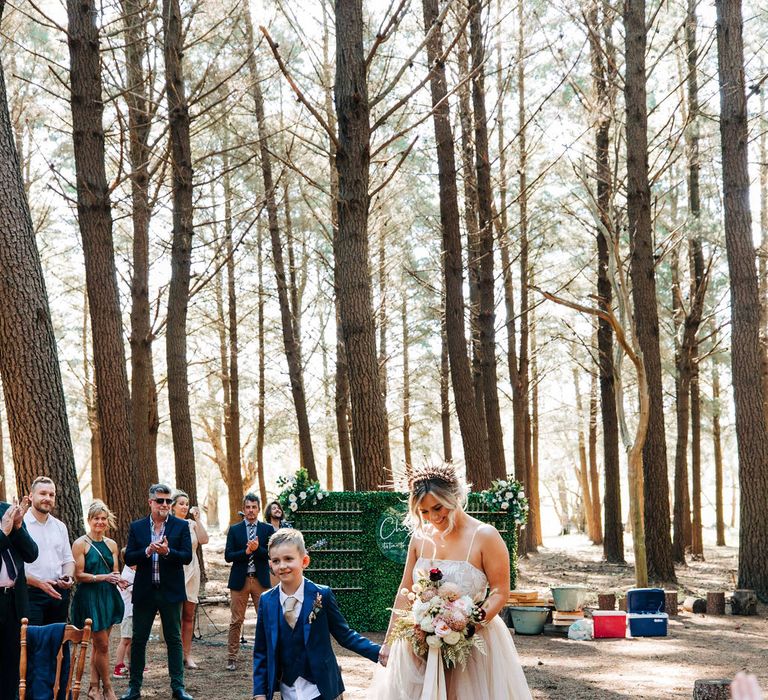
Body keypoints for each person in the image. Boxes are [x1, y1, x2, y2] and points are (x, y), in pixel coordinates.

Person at [374, 462, 532, 699]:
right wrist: (389, 641)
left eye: (438, 508)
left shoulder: (485, 536)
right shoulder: (419, 537)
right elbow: (405, 589)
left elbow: (500, 591)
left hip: (473, 643)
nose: (433, 517)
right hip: (420, 641)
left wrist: (465, 628)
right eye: (424, 512)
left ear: (455, 496)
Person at [252, 528, 382, 700]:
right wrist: (259, 692)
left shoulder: (322, 595)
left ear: (304, 561)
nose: (282, 566)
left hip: (321, 689)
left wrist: (380, 653)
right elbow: (261, 650)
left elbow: (345, 636)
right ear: (270, 565)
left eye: (288, 559)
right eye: (276, 561)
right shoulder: (267, 601)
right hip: (288, 690)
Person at [120, 484, 193, 700]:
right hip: (145, 591)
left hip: (170, 591)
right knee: (139, 639)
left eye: (168, 501)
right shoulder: (138, 527)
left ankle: (178, 688)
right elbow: (129, 557)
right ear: (150, 502)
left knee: (174, 639)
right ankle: (134, 689)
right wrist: (148, 550)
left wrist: (168, 551)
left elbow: (187, 556)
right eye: (160, 500)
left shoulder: (180, 526)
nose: (165, 505)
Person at [71, 500, 126, 700]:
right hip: (90, 597)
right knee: (102, 645)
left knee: (98, 645)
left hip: (109, 596)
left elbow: (115, 570)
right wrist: (104, 578)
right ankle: (108, 688)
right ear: (89, 520)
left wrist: (119, 579)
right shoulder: (80, 544)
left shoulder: (111, 544)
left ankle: (93, 688)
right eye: (96, 518)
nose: (100, 522)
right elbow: (79, 575)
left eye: (103, 519)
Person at [224, 493, 274, 671]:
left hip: (260, 581)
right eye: (248, 507)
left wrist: (257, 549)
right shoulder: (235, 529)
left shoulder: (267, 530)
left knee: (265, 619)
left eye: (254, 507)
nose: (251, 510)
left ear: (259, 509)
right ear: (243, 509)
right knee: (236, 620)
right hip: (240, 580)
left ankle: (267, 656)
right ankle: (232, 657)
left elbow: (271, 554)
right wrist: (245, 552)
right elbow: (228, 556)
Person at [24, 476, 76, 625]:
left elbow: (68, 560)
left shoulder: (60, 526)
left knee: (58, 643)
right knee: (34, 644)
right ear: (31, 496)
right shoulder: (21, 525)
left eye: (51, 495)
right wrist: (39, 583)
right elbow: (14, 567)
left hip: (58, 593)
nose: (47, 498)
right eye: (43, 493)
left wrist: (68, 576)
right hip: (31, 594)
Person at [0, 496, 37, 700]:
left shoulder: (7, 511)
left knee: (12, 666)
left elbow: (31, 554)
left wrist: (18, 527)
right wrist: (4, 532)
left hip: (14, 601)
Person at [171, 490, 209, 669]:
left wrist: (198, 519)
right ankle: (175, 654)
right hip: (176, 570)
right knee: (174, 616)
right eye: (181, 504)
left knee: (188, 615)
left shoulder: (192, 524)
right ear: (173, 507)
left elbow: (204, 539)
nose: (185, 507)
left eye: (186, 504)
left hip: (193, 570)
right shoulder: (169, 524)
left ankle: (187, 655)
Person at [114, 549, 135, 679]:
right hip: (128, 613)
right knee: (126, 639)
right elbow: (137, 592)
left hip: (133, 612)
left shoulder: (132, 572)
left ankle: (133, 664)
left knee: (131, 640)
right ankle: (118, 666)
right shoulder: (127, 575)